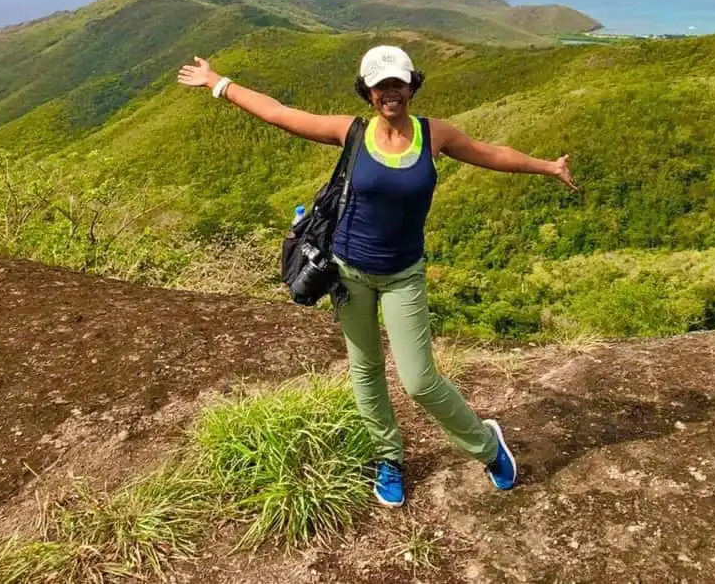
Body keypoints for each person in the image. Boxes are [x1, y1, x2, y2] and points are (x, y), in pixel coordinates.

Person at [176, 44, 577, 507]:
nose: (391, 92)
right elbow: (279, 113)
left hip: (404, 274)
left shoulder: (434, 135)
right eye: (380, 85)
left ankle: (487, 446)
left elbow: (491, 153)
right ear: (368, 92)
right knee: (365, 371)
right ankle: (388, 456)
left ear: (412, 86)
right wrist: (217, 83)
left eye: (398, 83)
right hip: (348, 273)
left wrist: (548, 166)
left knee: (420, 381)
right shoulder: (351, 133)